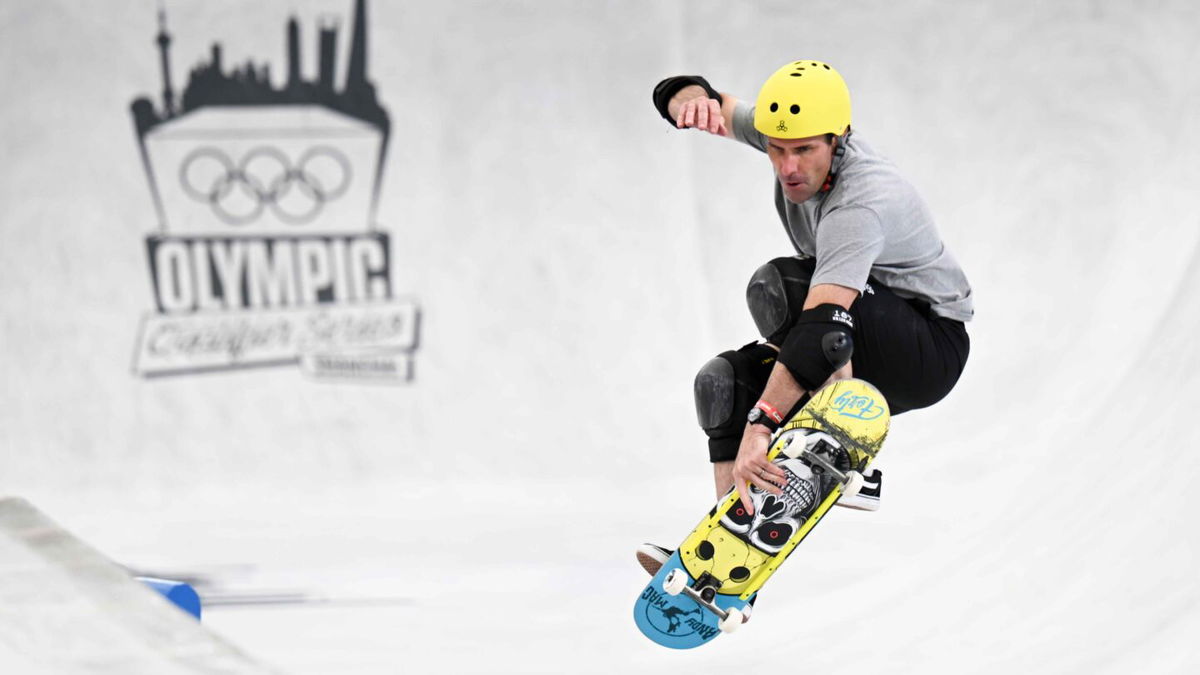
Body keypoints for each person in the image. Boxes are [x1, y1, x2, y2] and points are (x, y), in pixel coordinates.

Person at [636, 61, 974, 597]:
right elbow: (704, 100)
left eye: (804, 152)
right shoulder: (788, 134)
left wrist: (762, 426)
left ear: (837, 141)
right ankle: (725, 562)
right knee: (725, 381)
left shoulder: (861, 201)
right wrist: (684, 98)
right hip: (858, 333)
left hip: (927, 345)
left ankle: (846, 445)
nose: (788, 167)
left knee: (783, 287)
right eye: (776, 150)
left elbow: (822, 326)